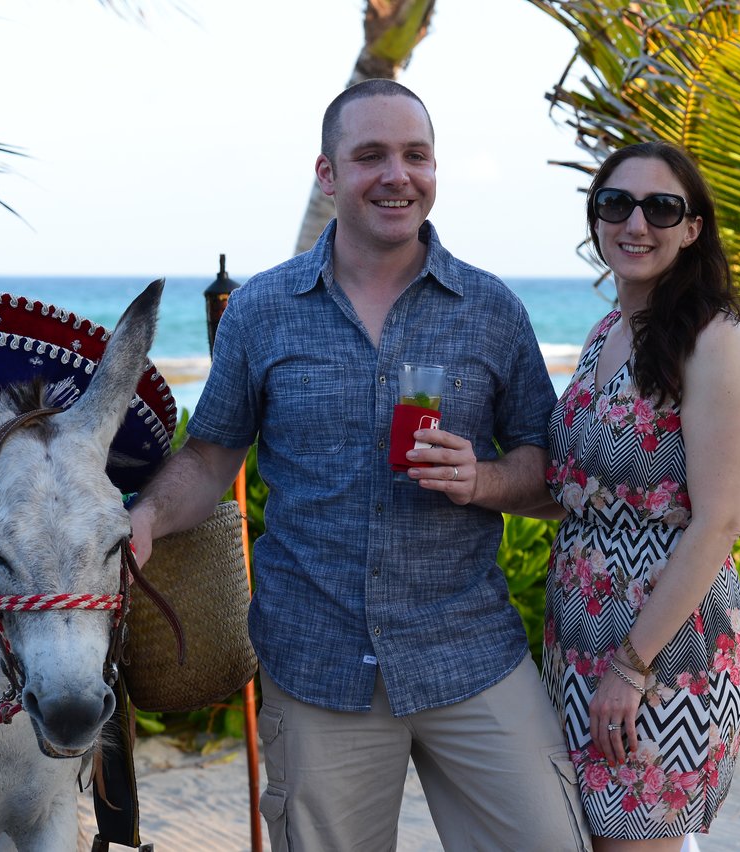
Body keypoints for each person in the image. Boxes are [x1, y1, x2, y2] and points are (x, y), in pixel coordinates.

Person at [128, 79, 590, 851]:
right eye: (370, 155)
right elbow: (210, 456)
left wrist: (483, 480)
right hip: (316, 662)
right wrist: (144, 516)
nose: (396, 175)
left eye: (416, 155)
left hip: (469, 650)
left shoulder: (491, 308)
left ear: (436, 170)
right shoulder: (261, 310)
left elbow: (551, 473)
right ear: (327, 173)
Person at [540, 141, 740, 850]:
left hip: (662, 651)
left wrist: (631, 666)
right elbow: (575, 489)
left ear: (693, 227)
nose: (636, 223)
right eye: (617, 203)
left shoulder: (714, 338)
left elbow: (721, 520)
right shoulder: (607, 333)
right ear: (596, 218)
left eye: (661, 207)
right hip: (579, 643)